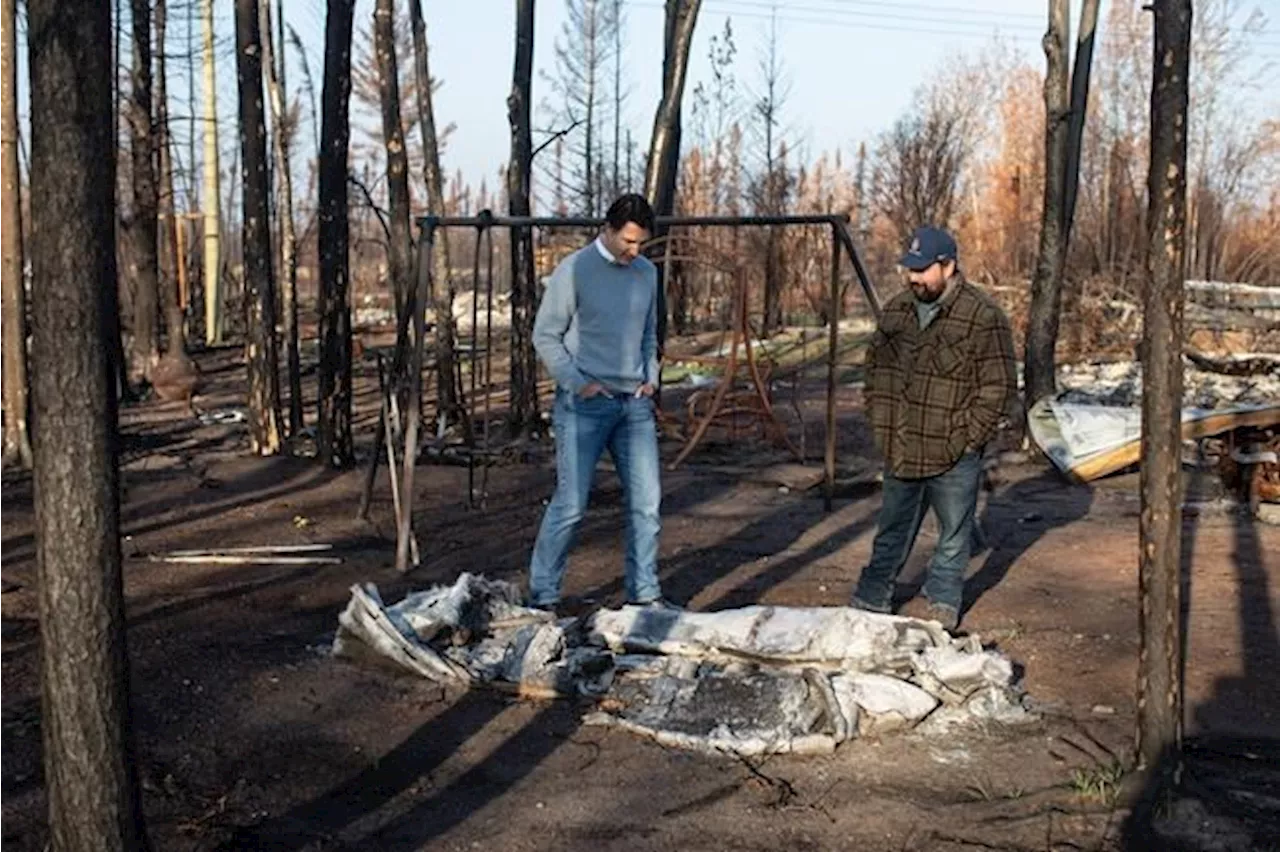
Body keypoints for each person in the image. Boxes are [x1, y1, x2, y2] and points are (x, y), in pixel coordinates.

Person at [851, 226, 1017, 631]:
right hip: (902, 445)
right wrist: (881, 423)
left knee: (953, 537)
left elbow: (998, 386)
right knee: (891, 531)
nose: (914, 278)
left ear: (949, 266)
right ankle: (872, 598)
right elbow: (875, 372)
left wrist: (967, 438)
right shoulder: (896, 311)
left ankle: (942, 601)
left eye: (923, 270)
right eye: (910, 269)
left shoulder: (983, 316)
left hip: (953, 452)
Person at [527, 194, 672, 612]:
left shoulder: (646, 273)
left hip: (635, 407)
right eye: (627, 241)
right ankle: (543, 596)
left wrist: (652, 376)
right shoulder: (574, 270)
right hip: (584, 406)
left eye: (640, 243)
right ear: (608, 230)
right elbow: (546, 336)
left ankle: (644, 595)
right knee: (571, 504)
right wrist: (577, 383)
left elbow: (649, 333)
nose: (634, 251)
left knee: (647, 504)